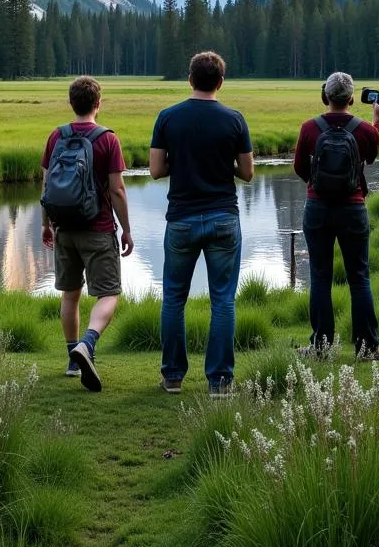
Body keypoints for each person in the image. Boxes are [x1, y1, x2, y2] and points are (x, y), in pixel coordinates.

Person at [150, 51, 254, 398]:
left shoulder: (167, 117)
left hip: (181, 218)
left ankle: (173, 377)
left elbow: (155, 169)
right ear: (220, 82)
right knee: (223, 301)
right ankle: (220, 382)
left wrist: (181, 164)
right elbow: (248, 173)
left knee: (174, 298)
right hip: (224, 216)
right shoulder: (235, 119)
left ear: (190, 79)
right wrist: (225, 168)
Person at [41, 76, 133, 392]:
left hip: (64, 228)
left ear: (71, 103)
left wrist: (45, 224)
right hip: (98, 228)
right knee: (108, 293)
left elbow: (46, 186)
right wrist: (127, 229)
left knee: (70, 293)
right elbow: (117, 189)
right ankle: (88, 344)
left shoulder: (56, 137)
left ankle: (71, 359)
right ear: (98, 103)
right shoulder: (107, 139)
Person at [292, 71, 379, 361]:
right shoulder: (364, 130)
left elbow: (300, 168)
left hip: (318, 209)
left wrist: (318, 184)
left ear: (325, 96)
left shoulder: (310, 128)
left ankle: (320, 347)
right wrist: (377, 119)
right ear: (351, 99)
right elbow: (371, 157)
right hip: (353, 208)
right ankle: (366, 348)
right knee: (359, 277)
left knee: (320, 277)